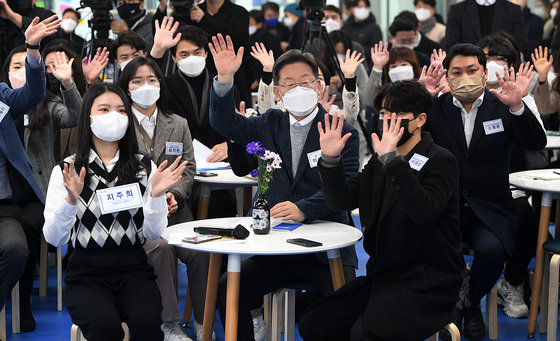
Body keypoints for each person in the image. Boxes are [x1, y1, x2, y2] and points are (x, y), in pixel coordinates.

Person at [208, 34, 360, 340]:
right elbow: (224, 122)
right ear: (277, 91)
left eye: (306, 81)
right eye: (290, 84)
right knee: (228, 286)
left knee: (337, 307)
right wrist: (224, 79)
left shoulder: (342, 131)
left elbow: (345, 188)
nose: (299, 88)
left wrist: (303, 209)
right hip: (272, 245)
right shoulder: (267, 123)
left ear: (319, 86)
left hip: (325, 246)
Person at [298, 79, 463, 341]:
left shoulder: (440, 160)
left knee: (364, 333)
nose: (387, 121)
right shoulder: (379, 161)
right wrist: (330, 160)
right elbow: (341, 200)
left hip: (428, 281)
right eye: (384, 114)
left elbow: (423, 212)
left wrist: (391, 160)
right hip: (384, 276)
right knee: (315, 324)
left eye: (397, 115)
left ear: (420, 120)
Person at [43, 82, 187, 341]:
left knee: (147, 326)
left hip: (134, 270)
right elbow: (54, 238)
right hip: (86, 274)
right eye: (105, 109)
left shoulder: (144, 167)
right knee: (104, 328)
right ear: (88, 117)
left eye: (121, 110)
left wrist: (155, 196)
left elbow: (153, 232)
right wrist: (71, 200)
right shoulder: (67, 170)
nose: (115, 116)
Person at [421, 43, 547, 340]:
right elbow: (405, 142)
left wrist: (519, 105)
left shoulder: (502, 104)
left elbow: (536, 142)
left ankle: (470, 301)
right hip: (444, 207)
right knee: (435, 247)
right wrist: (422, 100)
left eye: (472, 70)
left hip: (490, 207)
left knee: (492, 251)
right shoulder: (434, 108)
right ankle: (455, 297)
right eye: (457, 72)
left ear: (483, 73)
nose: (464, 76)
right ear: (448, 77)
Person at [117, 56, 214, 341]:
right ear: (127, 87)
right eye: (137, 81)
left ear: (161, 84)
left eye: (152, 80)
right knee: (161, 249)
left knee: (201, 252)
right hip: (138, 215)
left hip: (176, 212)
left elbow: (189, 168)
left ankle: (203, 320)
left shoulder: (178, 123)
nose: (146, 86)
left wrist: (174, 195)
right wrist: (152, 199)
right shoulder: (118, 126)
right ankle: (169, 324)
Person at [0, 40, 83, 331]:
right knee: (16, 233)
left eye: (27, 65)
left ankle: (22, 301)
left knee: (28, 224)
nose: (22, 71)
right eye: (16, 66)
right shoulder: (1, 103)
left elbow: (76, 117)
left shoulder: (46, 102)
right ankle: (19, 297)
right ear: (6, 72)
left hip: (36, 190)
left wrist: (68, 83)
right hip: (5, 196)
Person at [478, 33, 546, 320]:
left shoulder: (522, 96)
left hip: (510, 185)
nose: (492, 64)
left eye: (500, 60)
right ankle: (459, 282)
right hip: (469, 185)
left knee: (527, 218)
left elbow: (536, 141)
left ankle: (514, 282)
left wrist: (519, 102)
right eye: (486, 59)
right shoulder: (466, 92)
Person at [0, 13, 60, 326]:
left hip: (8, 202)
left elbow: (32, 95)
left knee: (16, 247)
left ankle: (20, 305)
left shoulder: (1, 95)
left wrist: (32, 50)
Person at [150, 18, 238, 219]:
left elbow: (240, 121)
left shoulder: (223, 80)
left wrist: (229, 145)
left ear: (206, 53)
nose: (192, 58)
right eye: (184, 54)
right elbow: (143, 78)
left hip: (217, 165)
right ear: (174, 59)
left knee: (221, 207)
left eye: (197, 52)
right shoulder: (166, 85)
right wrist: (157, 50)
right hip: (175, 166)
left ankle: (218, 252)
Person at [444, 0, 529, 58]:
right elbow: (451, 44)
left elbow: (521, 44)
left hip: (503, 69)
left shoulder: (513, 10)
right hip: (468, 70)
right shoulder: (457, 10)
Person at [0, 0, 59, 64]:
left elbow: (55, 37)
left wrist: (12, 16)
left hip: (37, 65)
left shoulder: (46, 15)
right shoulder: (2, 15)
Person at [365, 43, 422, 109]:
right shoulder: (386, 91)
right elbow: (369, 102)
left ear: (413, 67)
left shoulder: (424, 87)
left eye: (404, 65)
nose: (399, 69)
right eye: (393, 66)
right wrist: (378, 66)